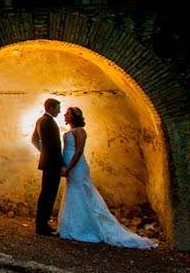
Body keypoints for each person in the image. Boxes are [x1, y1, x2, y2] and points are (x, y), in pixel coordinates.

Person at [57, 106, 157, 249]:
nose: (65, 116)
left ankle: (84, 228)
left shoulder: (80, 131)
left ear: (74, 117)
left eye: (67, 114)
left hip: (76, 167)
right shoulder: (69, 132)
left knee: (80, 192)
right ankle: (72, 226)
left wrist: (69, 168)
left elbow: (78, 151)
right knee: (72, 192)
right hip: (68, 167)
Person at [31, 98, 63, 236]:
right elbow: (54, 146)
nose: (59, 111)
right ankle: (42, 224)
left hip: (47, 162)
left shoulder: (40, 121)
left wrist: (42, 152)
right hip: (52, 163)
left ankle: (42, 223)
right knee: (48, 194)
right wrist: (57, 161)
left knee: (46, 193)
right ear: (51, 108)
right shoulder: (48, 122)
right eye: (57, 108)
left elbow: (33, 140)